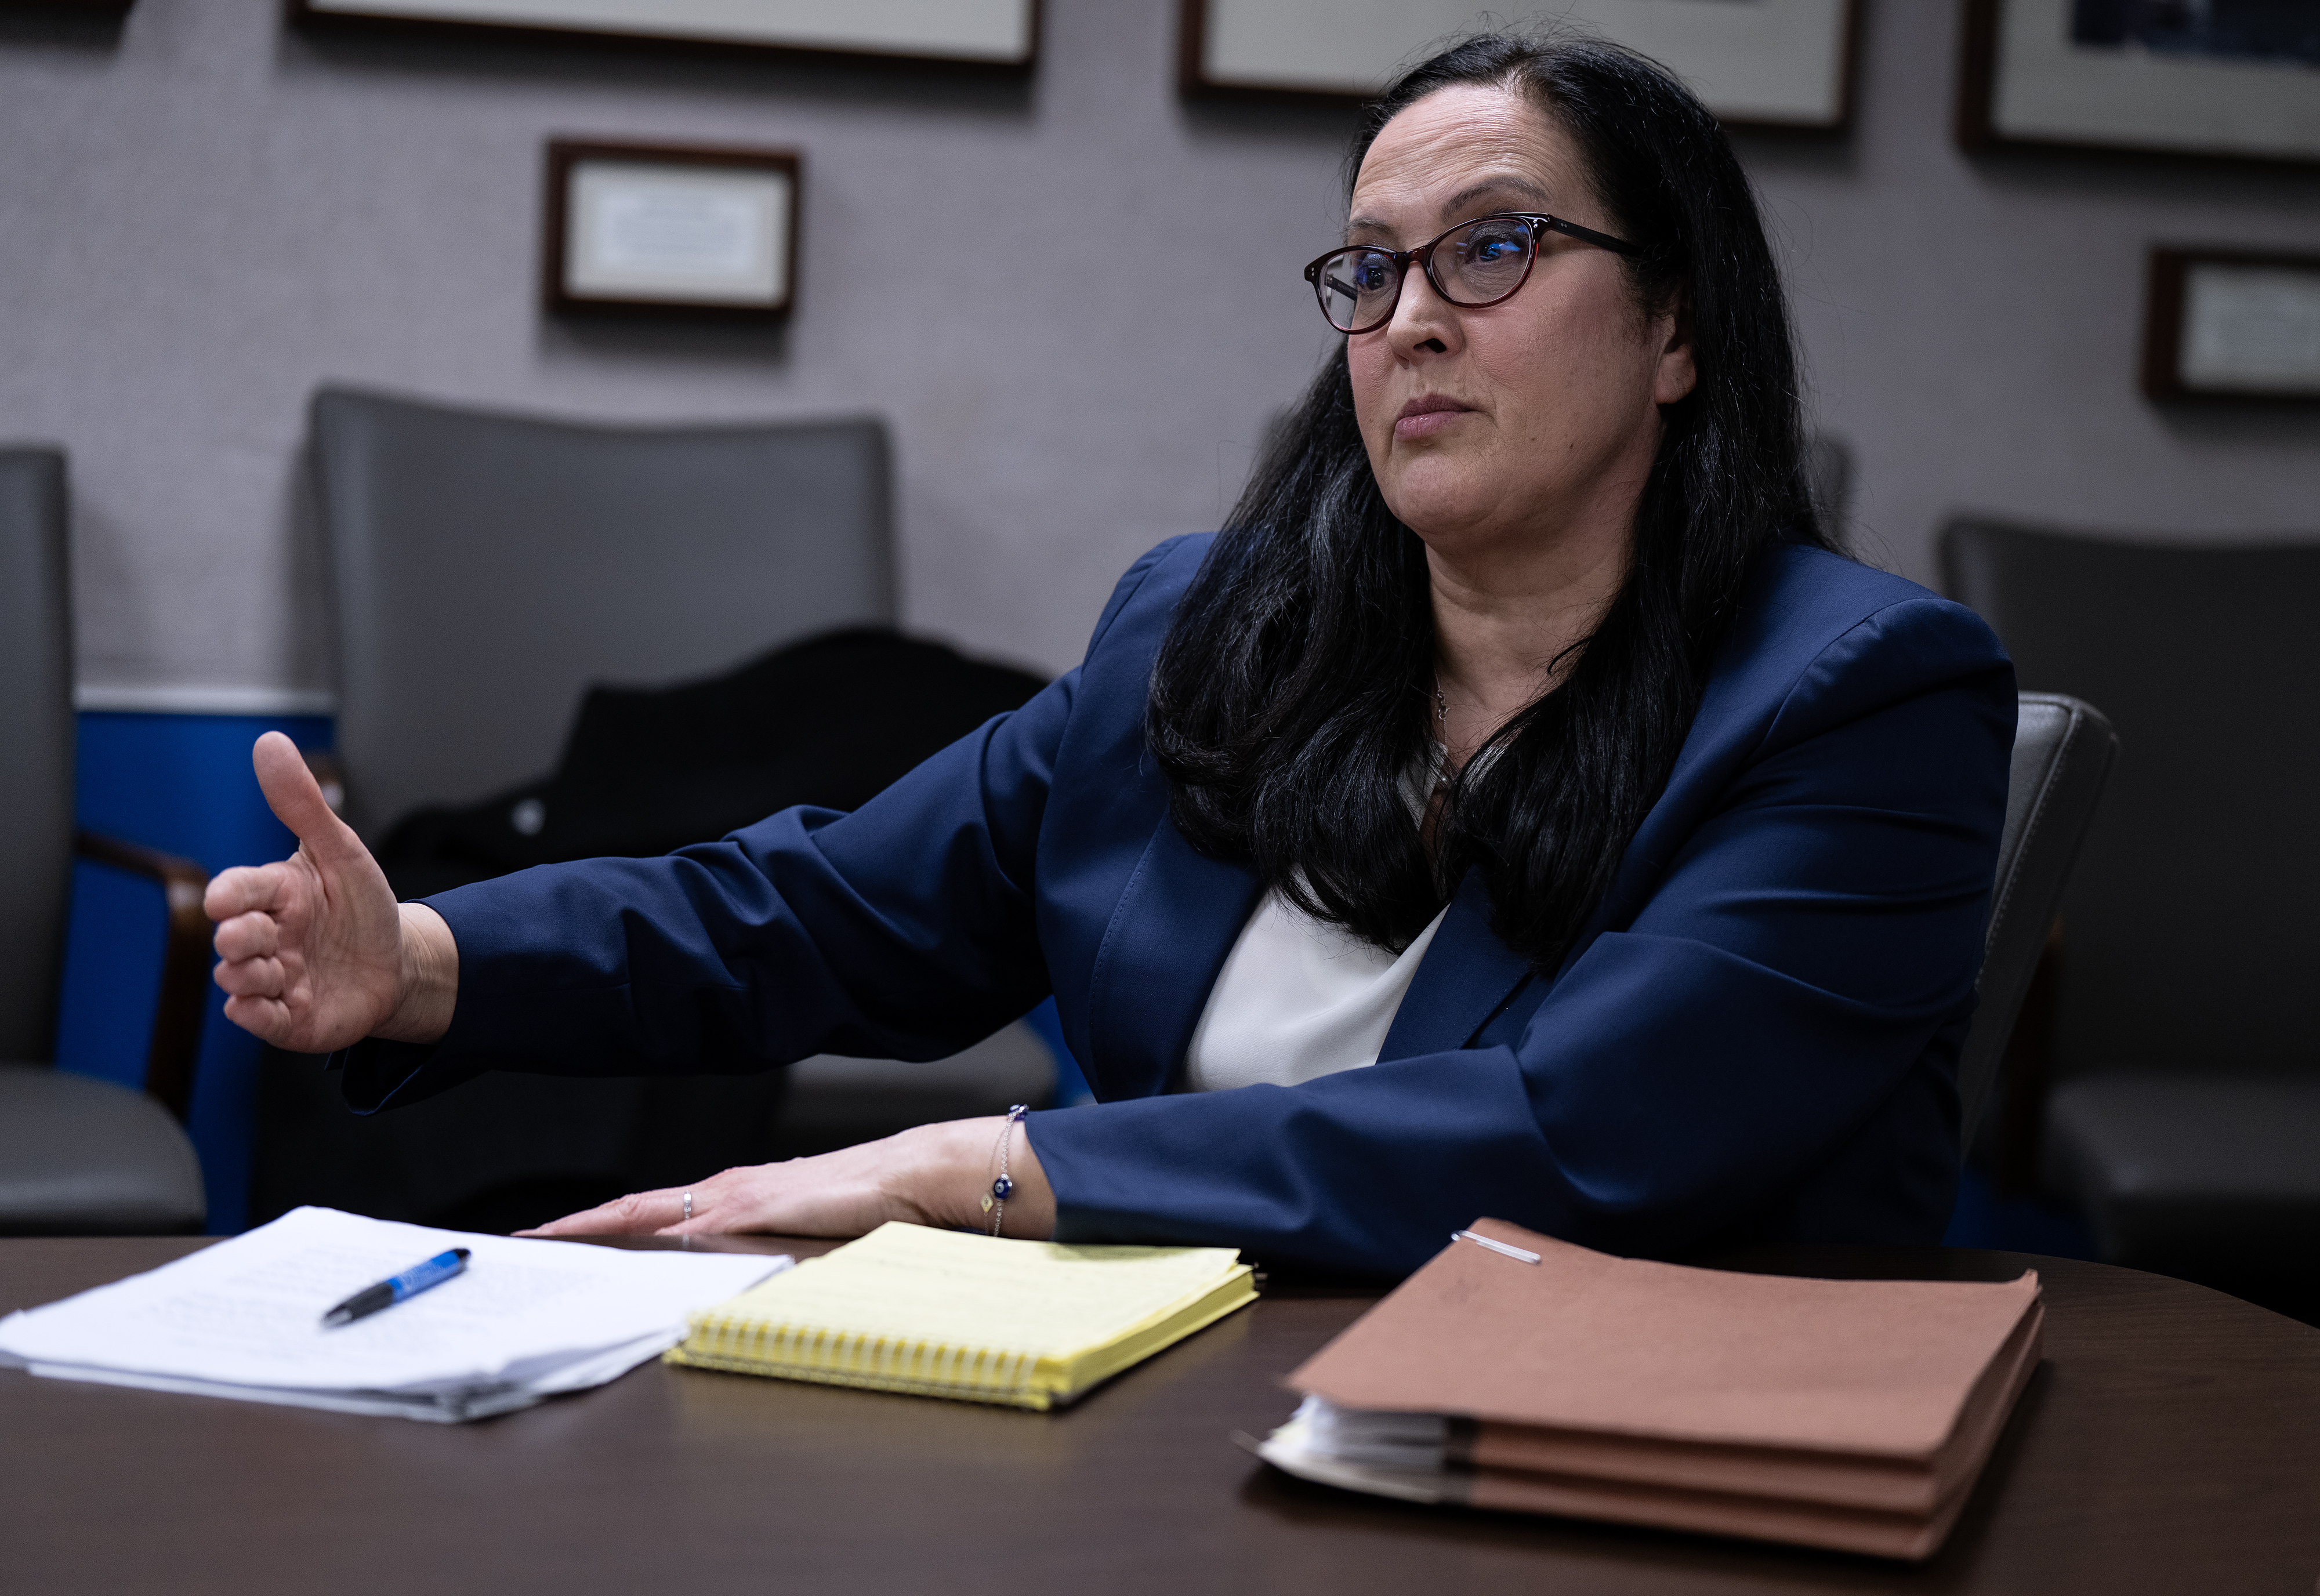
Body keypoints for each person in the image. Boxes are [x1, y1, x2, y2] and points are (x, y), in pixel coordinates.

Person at [206, 32, 2014, 1280]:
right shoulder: (1217, 632)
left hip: (1613, 1463)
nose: (1411, 324)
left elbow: (1573, 1135)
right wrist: (429, 957)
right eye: (1369, 271)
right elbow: (836, 910)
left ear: (1679, 323)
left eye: (1495, 250)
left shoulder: (1862, 699)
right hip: (1176, 1413)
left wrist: (988, 1171)